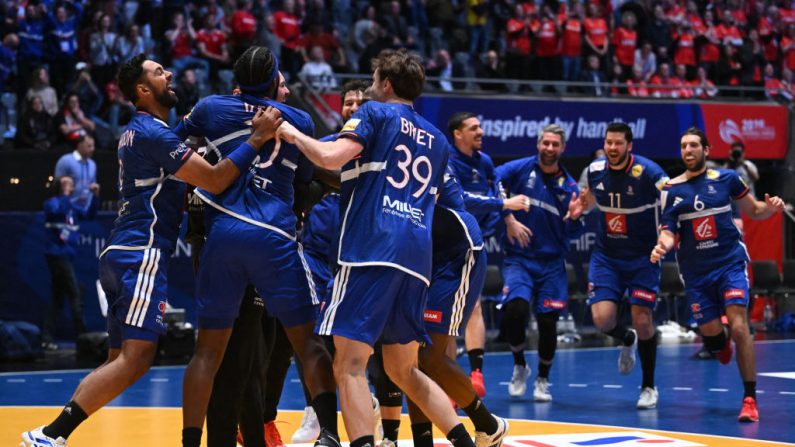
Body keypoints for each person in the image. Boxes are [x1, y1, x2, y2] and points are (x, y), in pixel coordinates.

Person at [20, 53, 282, 447]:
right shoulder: (153, 134)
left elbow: (181, 151)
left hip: (121, 249)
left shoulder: (145, 131)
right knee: (136, 359)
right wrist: (255, 138)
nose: (170, 72)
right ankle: (51, 434)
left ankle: (51, 435)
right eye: (160, 72)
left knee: (117, 362)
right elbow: (212, 180)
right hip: (143, 251)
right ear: (143, 89)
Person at [277, 48, 479, 447]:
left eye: (372, 81)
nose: (368, 89)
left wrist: (289, 133)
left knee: (349, 365)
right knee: (406, 370)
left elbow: (329, 155)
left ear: (385, 84)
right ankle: (468, 441)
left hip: (371, 249)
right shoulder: (438, 140)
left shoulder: (373, 113)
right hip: (417, 257)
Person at [173, 47, 338, 447]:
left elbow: (172, 145)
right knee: (306, 343)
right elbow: (306, 183)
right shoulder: (298, 118)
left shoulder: (211, 108)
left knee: (207, 354)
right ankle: (330, 433)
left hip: (222, 235)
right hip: (273, 237)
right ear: (274, 81)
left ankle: (192, 442)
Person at [650, 127, 784, 422]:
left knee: (739, 327)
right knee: (713, 336)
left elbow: (755, 210)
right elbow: (669, 233)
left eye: (694, 145)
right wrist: (662, 247)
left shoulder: (727, 179)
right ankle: (719, 345)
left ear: (706, 150)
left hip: (729, 264)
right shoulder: (670, 190)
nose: (688, 150)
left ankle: (749, 398)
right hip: (697, 274)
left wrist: (772, 208)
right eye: (684, 145)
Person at [291, 78, 370, 444]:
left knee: (352, 344)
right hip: (317, 255)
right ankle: (315, 413)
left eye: (359, 102)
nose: (352, 108)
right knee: (310, 338)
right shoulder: (321, 148)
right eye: (348, 103)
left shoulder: (375, 153)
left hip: (356, 258)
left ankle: (365, 403)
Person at [580, 122, 669, 409]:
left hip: (644, 257)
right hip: (607, 256)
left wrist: (667, 235)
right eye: (609, 143)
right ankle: (625, 337)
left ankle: (648, 386)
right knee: (602, 320)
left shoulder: (650, 173)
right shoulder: (595, 170)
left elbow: (674, 200)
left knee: (643, 320)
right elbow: (588, 200)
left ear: (629, 146)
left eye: (618, 143)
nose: (612, 148)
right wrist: (579, 207)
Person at [496, 124, 585, 401]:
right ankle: (520, 365)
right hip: (519, 259)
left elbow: (573, 233)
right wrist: (508, 217)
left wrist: (574, 218)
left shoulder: (569, 186)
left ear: (562, 148)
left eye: (554, 144)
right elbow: (491, 181)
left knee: (548, 323)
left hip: (551, 264)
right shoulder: (519, 169)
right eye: (545, 143)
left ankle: (543, 380)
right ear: (538, 144)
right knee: (515, 309)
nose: (549, 148)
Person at [446, 112, 530, 398]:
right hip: (446, 241)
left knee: (474, 306)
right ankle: (450, 378)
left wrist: (507, 217)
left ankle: (475, 373)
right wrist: (504, 204)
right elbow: (462, 199)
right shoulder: (447, 160)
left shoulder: (484, 161)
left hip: (475, 243)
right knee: (445, 313)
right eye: (474, 128)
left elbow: (496, 187)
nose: (481, 131)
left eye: (481, 126)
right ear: (458, 133)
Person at [41, 176, 99, 350]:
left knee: (58, 298)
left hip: (67, 256)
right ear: (60, 186)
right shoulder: (52, 203)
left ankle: (46, 337)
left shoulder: (72, 207)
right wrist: (65, 194)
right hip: (57, 256)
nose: (72, 185)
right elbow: (56, 211)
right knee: (75, 293)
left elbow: (89, 214)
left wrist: (95, 197)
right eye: (67, 183)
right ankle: (82, 338)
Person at [54, 134, 97, 209]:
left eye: (93, 146)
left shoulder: (92, 164)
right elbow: (57, 185)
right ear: (80, 145)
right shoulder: (65, 160)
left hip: (86, 209)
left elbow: (93, 185)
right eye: (89, 146)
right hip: (68, 208)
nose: (92, 149)